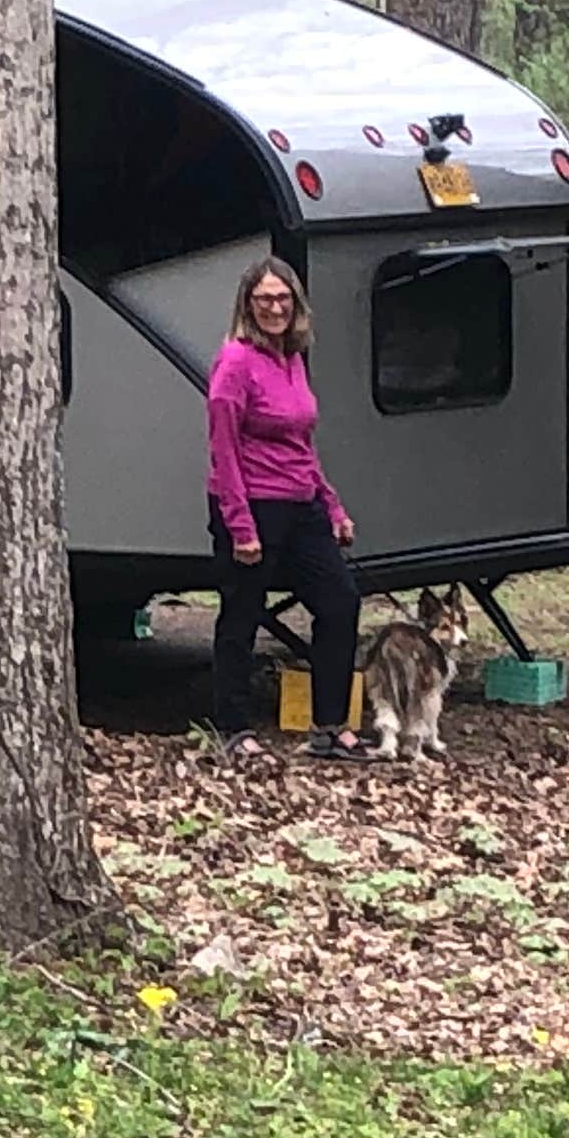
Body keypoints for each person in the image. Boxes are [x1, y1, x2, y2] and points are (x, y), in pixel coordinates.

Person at [206, 254, 366, 760]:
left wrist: (333, 506)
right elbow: (223, 447)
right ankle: (233, 728)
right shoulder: (235, 362)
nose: (274, 308)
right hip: (253, 503)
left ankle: (330, 725)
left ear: (295, 304)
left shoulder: (291, 358)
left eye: (282, 298)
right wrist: (240, 525)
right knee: (242, 614)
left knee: (340, 602)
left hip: (302, 501)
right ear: (247, 306)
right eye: (264, 299)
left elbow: (302, 443)